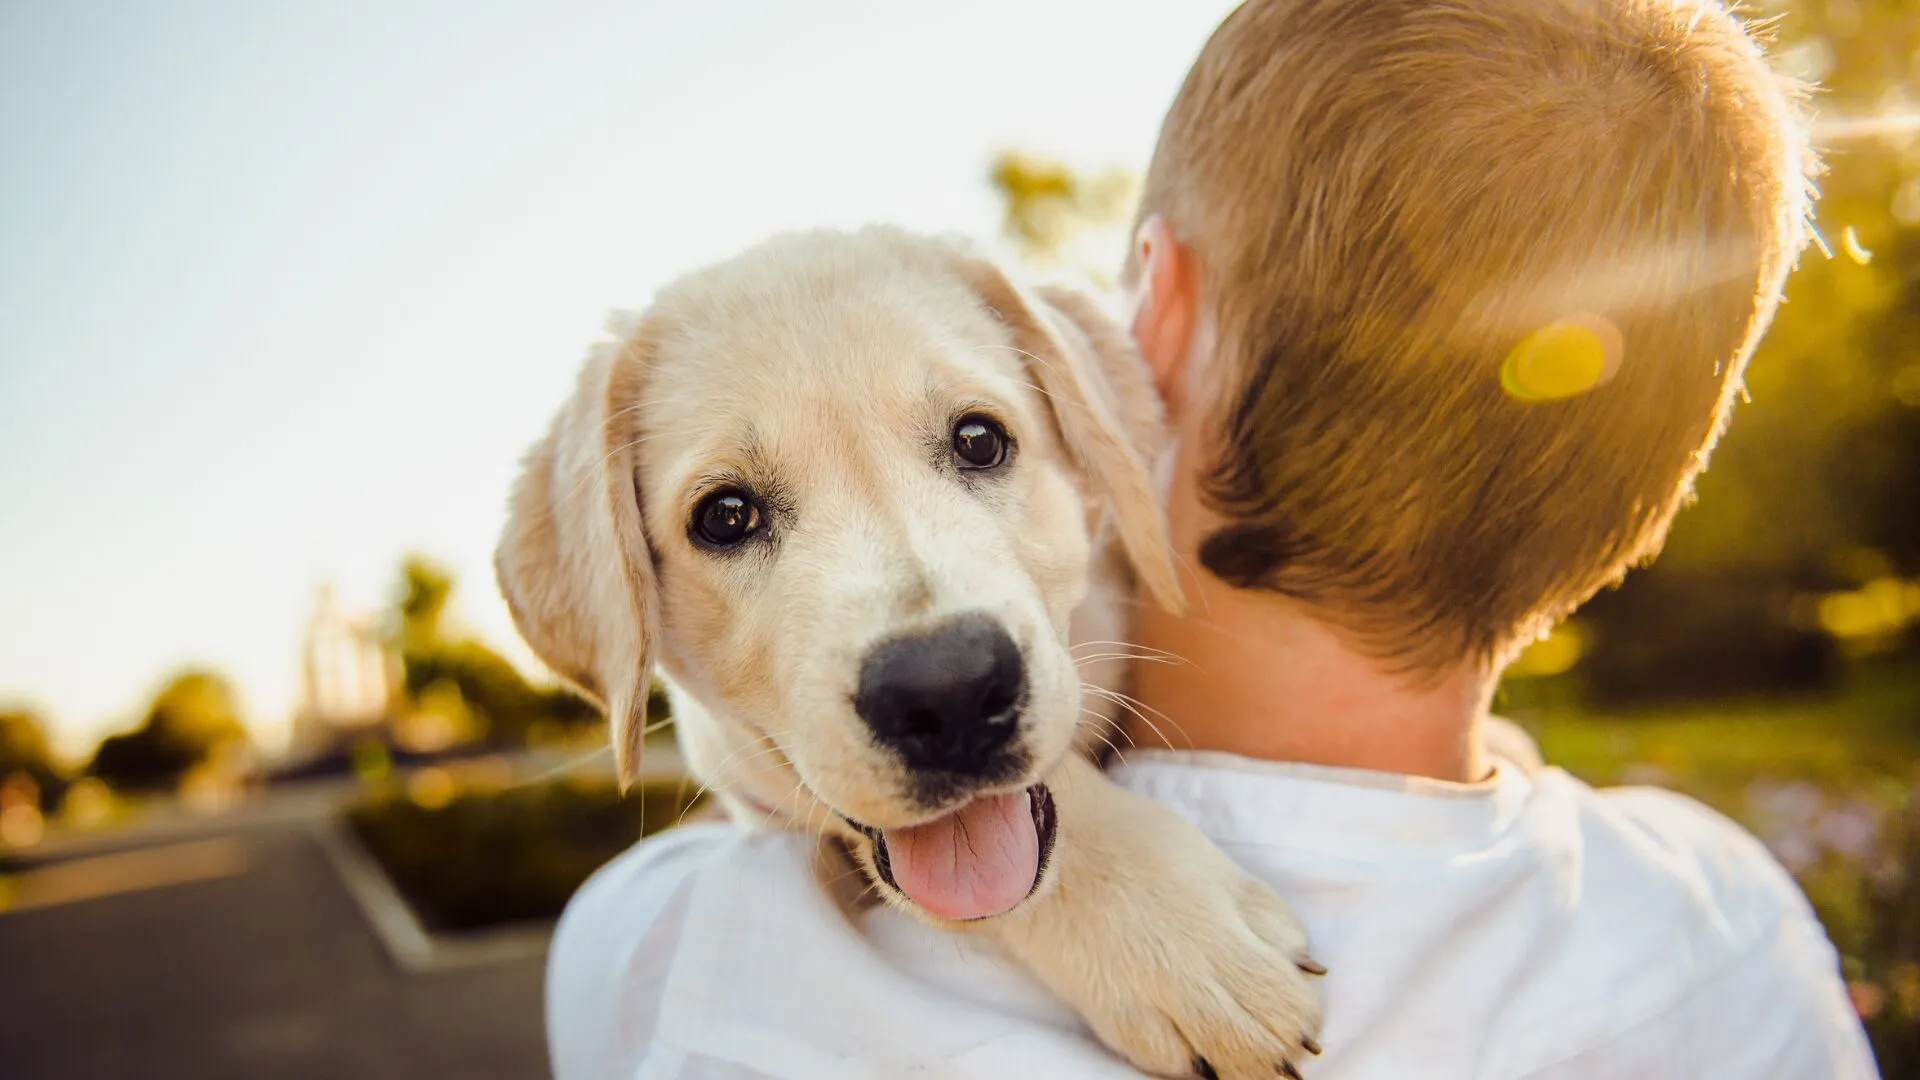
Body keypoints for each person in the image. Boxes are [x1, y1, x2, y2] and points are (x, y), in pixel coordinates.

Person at [544, 0, 1879, 1076]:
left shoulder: (672, 964)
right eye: (733, 515)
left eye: (976, 444)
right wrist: (1078, 866)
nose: (928, 630)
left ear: (1149, 321)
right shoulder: (1731, 924)